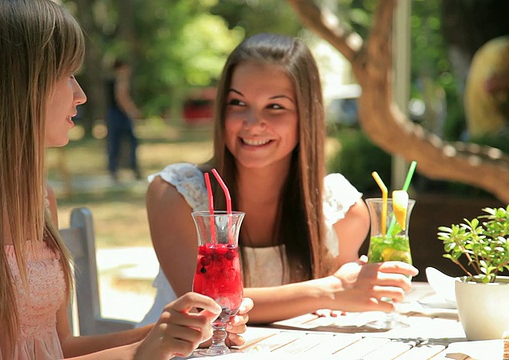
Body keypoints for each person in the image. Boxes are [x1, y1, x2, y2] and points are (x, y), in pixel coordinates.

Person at [0, 0, 251, 359]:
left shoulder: (38, 200)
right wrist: (139, 352)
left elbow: (60, 349)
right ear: (11, 87)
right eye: (66, 75)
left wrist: (183, 331)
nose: (81, 95)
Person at [139, 33, 419, 326]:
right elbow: (204, 306)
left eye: (275, 106)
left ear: (306, 116)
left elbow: (340, 304)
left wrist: (349, 294)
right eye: (237, 102)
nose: (253, 122)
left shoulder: (341, 210)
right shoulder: (177, 194)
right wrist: (331, 291)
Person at [106, 60, 142, 183]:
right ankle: (130, 168)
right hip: (120, 115)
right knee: (128, 142)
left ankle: (115, 169)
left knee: (115, 142)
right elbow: (122, 97)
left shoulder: (113, 80)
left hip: (114, 114)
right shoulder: (121, 80)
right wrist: (132, 111)